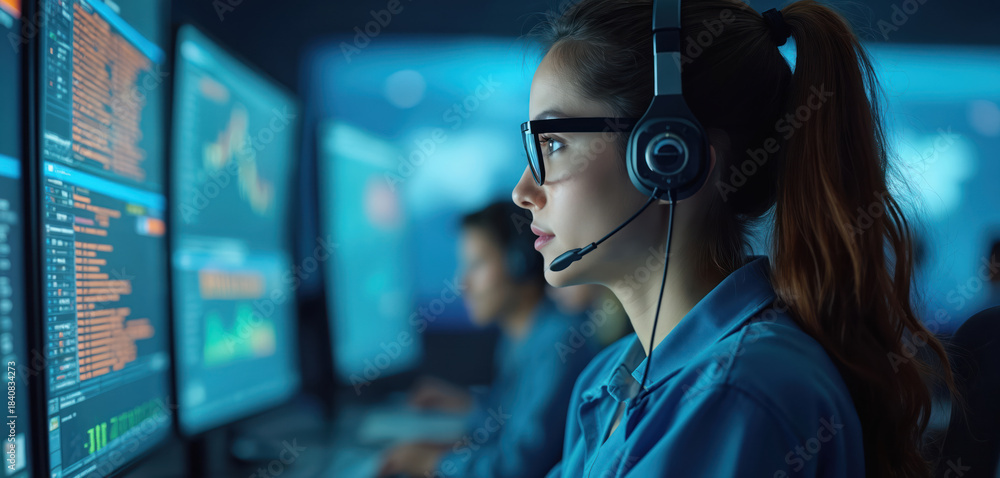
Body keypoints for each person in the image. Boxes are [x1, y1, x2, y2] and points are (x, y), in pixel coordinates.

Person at [511, 0, 957, 476]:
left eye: (553, 144)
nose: (523, 191)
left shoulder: (736, 394)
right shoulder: (608, 381)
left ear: (670, 155)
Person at [378, 201, 599, 477]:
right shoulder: (522, 335)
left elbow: (518, 466)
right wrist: (467, 407)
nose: (463, 282)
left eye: (477, 264)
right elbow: (509, 423)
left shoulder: (559, 343)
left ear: (519, 263)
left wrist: (433, 463)